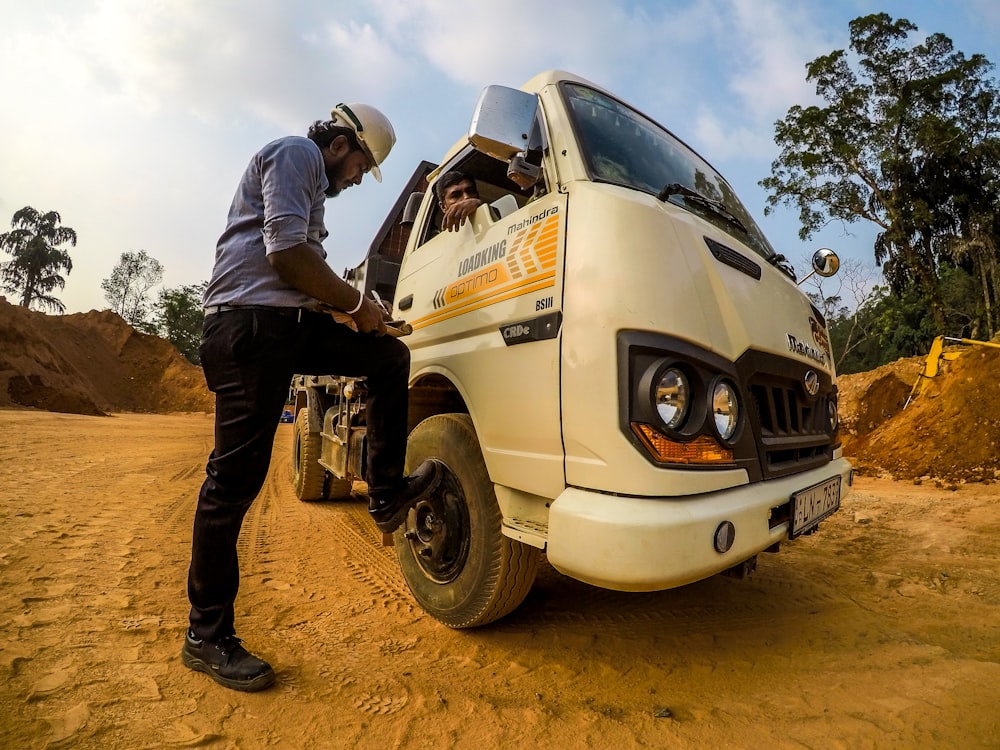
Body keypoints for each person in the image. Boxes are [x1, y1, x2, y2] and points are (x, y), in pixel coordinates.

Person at [181, 102, 442, 693]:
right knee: (232, 485)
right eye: (360, 165)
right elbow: (285, 255)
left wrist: (363, 316)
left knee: (386, 357)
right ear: (340, 143)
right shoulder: (297, 153)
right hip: (247, 328)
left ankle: (384, 493)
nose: (356, 178)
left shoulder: (315, 195)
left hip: (281, 328)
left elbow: (307, 275)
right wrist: (355, 305)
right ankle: (205, 634)